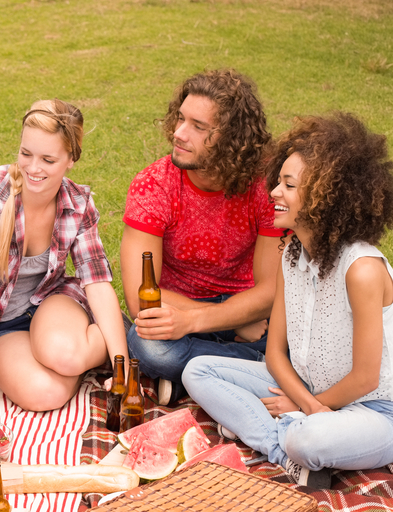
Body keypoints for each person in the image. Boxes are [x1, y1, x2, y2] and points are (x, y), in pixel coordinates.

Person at [182, 113, 393, 490]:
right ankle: (286, 454)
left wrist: (302, 408)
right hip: (308, 389)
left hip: (382, 412)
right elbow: (275, 354)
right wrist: (305, 402)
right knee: (197, 371)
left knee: (305, 439)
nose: (273, 193)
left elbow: (365, 378)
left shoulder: (361, 271)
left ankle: (276, 437)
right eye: (278, 182)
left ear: (325, 199)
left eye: (288, 186)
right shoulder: (291, 254)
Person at [121, 69, 283, 405]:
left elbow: (271, 291)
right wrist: (207, 322)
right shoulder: (153, 185)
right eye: (181, 119)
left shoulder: (266, 186)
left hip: (249, 310)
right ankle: (257, 371)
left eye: (198, 126)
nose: (179, 133)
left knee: (303, 332)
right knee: (147, 345)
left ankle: (195, 379)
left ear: (231, 139)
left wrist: (200, 321)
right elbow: (140, 298)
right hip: (181, 308)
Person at [0, 99, 128, 411]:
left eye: (48, 159)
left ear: (71, 159)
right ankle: (91, 346)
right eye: (26, 154)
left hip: (51, 304)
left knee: (64, 356)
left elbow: (96, 284)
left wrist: (122, 369)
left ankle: (120, 342)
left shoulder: (78, 203)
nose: (33, 168)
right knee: (45, 394)